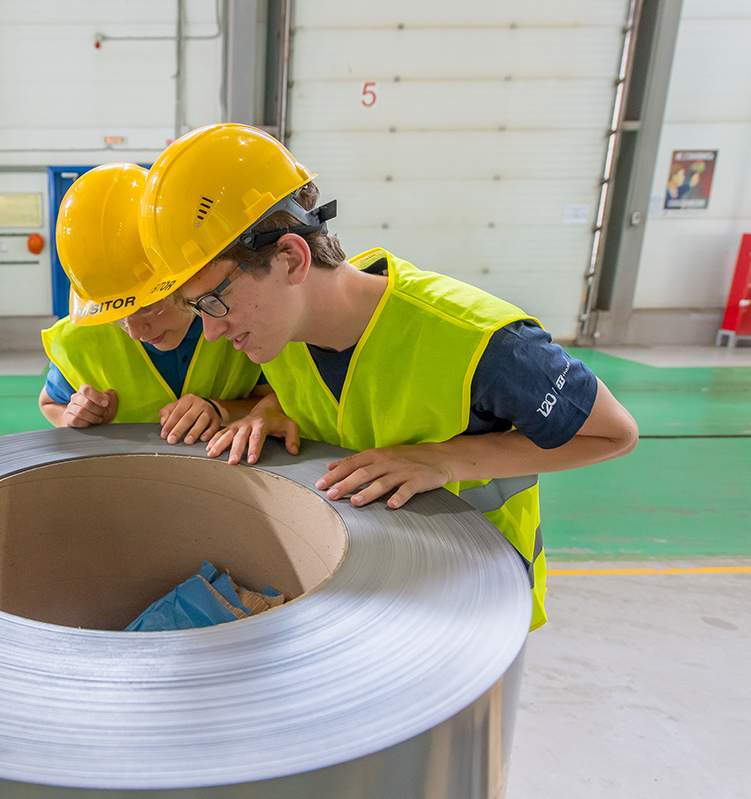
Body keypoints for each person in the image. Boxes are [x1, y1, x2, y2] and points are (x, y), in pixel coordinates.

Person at [137, 124, 640, 629]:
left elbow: (613, 432)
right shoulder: (278, 336)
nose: (212, 332)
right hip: (372, 596)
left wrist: (443, 460)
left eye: (215, 301)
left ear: (291, 258)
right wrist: (269, 410)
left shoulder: (477, 340)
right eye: (196, 307)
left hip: (474, 601)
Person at [39, 162, 274, 446]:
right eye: (118, 317)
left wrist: (222, 410)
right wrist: (75, 417)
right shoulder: (79, 340)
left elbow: (281, 400)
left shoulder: (240, 316)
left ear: (183, 277)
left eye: (147, 307)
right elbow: (50, 403)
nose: (135, 331)